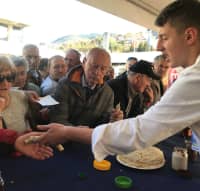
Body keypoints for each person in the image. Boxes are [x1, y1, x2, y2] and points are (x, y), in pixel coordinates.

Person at [21, 0, 200, 161]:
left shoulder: (194, 78)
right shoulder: (66, 86)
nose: (157, 46)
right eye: (94, 66)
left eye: (164, 37)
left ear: (189, 36)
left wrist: (73, 131)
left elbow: (140, 131)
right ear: (84, 64)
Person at [49, 48, 122, 127]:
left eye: (103, 69)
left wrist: (112, 120)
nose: (97, 72)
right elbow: (58, 119)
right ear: (84, 62)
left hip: (92, 137)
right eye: (94, 66)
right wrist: (78, 132)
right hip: (65, 136)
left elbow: (103, 125)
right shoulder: (64, 85)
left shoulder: (108, 93)